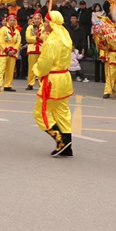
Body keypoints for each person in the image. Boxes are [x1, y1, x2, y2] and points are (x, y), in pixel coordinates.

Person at [33, 11, 74, 157]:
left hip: (53, 79)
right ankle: (68, 145)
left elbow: (45, 64)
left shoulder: (51, 41)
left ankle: (60, 140)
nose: (44, 24)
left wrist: (37, 70)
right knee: (62, 112)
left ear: (51, 23)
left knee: (40, 112)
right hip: (65, 77)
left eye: (45, 21)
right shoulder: (65, 36)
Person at [0, 14, 22, 92]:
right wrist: (7, 50)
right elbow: (0, 41)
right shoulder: (3, 29)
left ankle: (8, 85)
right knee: (1, 69)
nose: (12, 22)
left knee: (10, 70)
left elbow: (18, 41)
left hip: (13, 53)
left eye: (14, 20)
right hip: (4, 52)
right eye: (11, 20)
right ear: (7, 21)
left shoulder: (17, 31)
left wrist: (15, 50)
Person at [25, 12, 45, 90]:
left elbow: (45, 37)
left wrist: (38, 35)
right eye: (35, 19)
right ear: (33, 19)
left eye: (38, 19)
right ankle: (30, 83)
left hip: (41, 50)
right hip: (32, 49)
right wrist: (37, 38)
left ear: (41, 19)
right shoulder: (29, 27)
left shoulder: (44, 27)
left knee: (41, 68)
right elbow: (28, 38)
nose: (37, 20)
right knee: (31, 68)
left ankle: (42, 84)